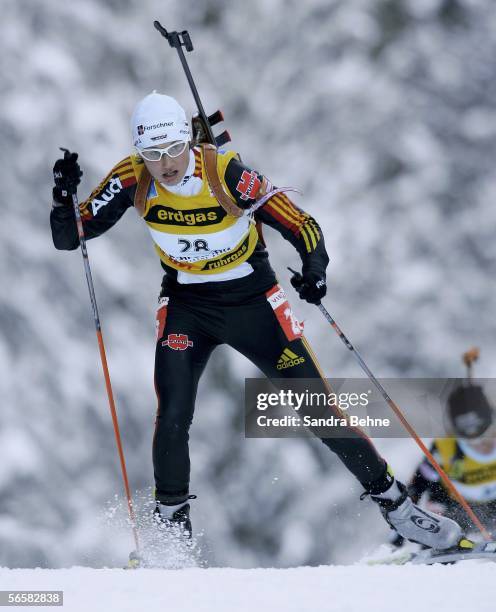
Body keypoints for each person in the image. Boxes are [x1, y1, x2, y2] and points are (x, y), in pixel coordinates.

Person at [50, 91, 464, 552]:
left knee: (318, 410)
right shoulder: (132, 178)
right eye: (152, 154)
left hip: (253, 301)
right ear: (138, 152)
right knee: (173, 414)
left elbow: (301, 224)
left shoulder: (225, 173)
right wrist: (63, 197)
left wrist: (315, 271)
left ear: (188, 139)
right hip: (188, 304)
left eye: (172, 150)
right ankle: (170, 537)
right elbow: (72, 236)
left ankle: (399, 507)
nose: (164, 164)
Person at [393, 379, 496, 545]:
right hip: (460, 510)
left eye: (475, 420)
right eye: (464, 423)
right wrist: (401, 524)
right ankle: (443, 546)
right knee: (436, 503)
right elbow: (419, 484)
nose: (471, 429)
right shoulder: (445, 449)